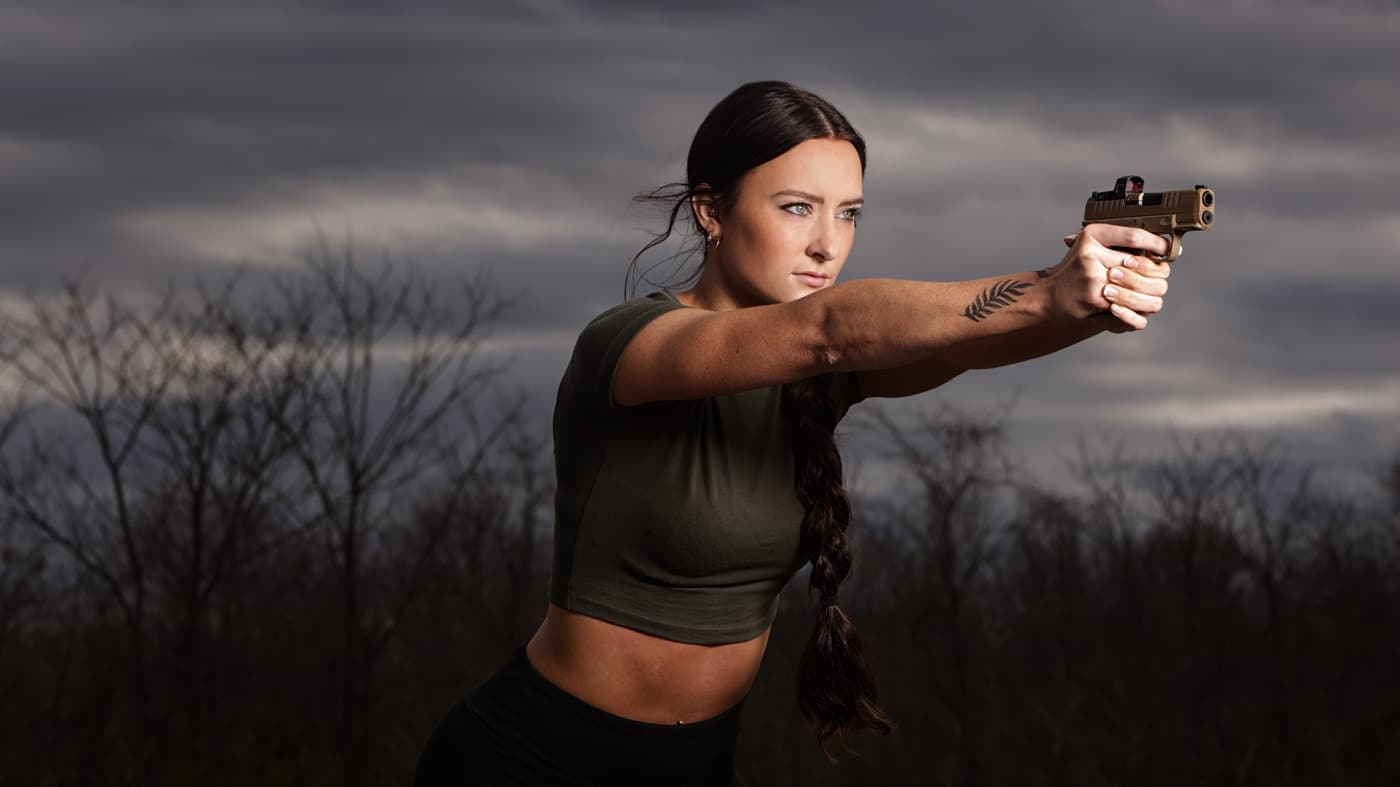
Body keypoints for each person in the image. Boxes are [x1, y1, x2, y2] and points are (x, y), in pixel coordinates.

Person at [412, 80, 1172, 787]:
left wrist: (1094, 287)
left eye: (849, 213)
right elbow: (827, 330)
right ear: (712, 211)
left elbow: (967, 343)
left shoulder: (825, 372)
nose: (828, 245)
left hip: (696, 762)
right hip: (533, 758)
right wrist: (1049, 291)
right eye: (796, 208)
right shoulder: (629, 343)